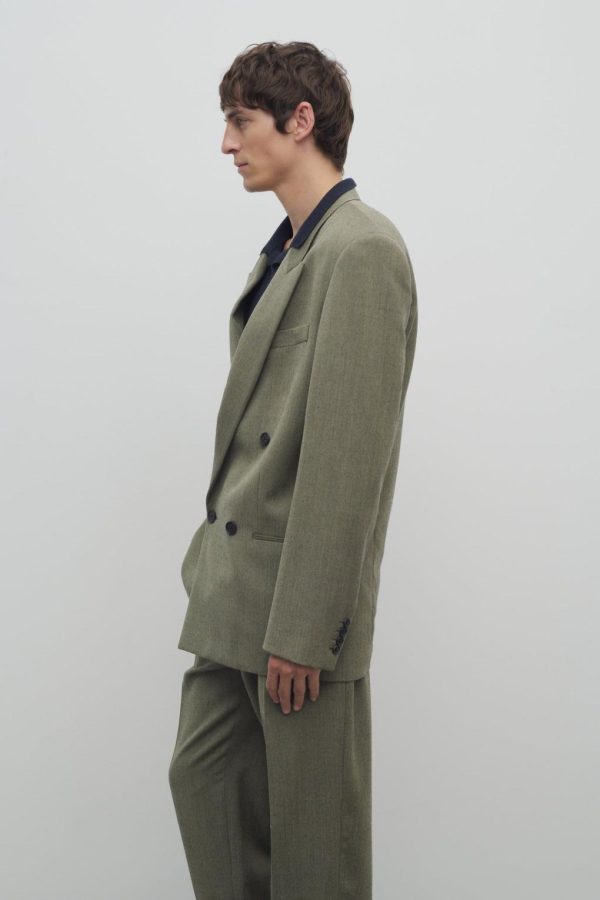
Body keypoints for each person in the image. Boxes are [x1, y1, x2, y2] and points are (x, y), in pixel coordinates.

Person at [168, 40, 418, 899]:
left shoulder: (362, 251)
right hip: (233, 595)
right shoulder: (290, 249)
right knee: (201, 781)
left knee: (315, 853)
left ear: (300, 120)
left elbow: (348, 458)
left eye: (241, 121)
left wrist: (307, 630)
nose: (227, 142)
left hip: (292, 620)